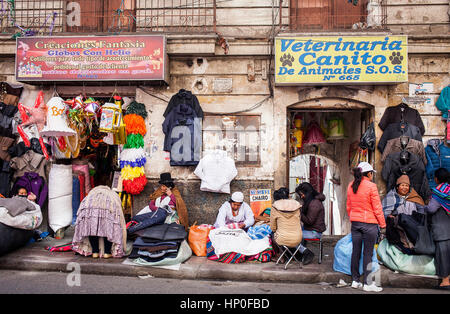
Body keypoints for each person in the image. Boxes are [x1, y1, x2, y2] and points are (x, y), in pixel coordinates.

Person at [346, 162, 386, 292]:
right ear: (369, 174)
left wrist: (353, 218)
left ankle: (355, 281)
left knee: (355, 252)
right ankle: (368, 284)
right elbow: (377, 207)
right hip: (369, 224)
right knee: (367, 253)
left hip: (356, 223)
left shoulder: (351, 186)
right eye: (371, 173)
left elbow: (349, 206)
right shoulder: (371, 186)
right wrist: (383, 224)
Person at [425, 168, 450, 290]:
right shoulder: (449, 190)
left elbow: (431, 209)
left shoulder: (439, 192)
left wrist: (425, 206)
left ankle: (445, 281)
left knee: (443, 255)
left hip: (442, 230)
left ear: (436, 179)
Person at [295, 182, 326, 265]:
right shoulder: (311, 201)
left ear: (307, 193)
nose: (301, 197)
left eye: (302, 195)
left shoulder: (314, 204)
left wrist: (299, 212)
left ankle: (306, 252)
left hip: (315, 232)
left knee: (291, 236)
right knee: (293, 230)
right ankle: (300, 253)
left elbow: (309, 221)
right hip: (309, 229)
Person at [270, 187, 302, 259]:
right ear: (288, 196)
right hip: (298, 238)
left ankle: (280, 256)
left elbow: (273, 227)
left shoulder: (275, 206)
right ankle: (287, 255)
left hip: (282, 239)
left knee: (272, 235)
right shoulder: (297, 205)